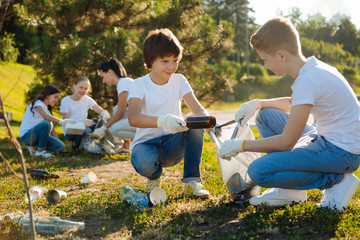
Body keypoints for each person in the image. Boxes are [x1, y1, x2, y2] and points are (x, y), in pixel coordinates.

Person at [220, 17, 360, 211]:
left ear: (281, 55)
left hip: (341, 153)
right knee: (265, 115)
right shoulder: (313, 69)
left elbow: (287, 142)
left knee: (258, 171)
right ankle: (289, 191)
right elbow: (294, 103)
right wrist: (257, 103)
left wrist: (240, 145)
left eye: (265, 60)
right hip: (327, 139)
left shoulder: (308, 79)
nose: (266, 65)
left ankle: (335, 180)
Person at [127, 28, 210, 198]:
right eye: (165, 61)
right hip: (146, 145)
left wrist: (211, 123)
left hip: (173, 143)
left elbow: (198, 109)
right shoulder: (138, 84)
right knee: (145, 162)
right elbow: (133, 118)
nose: (171, 67)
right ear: (151, 60)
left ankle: (192, 182)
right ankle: (154, 178)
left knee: (195, 123)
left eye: (175, 60)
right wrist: (162, 121)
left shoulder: (179, 80)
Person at [95, 58, 136, 153]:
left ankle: (147, 137)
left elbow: (120, 113)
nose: (103, 81)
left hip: (146, 121)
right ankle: (126, 146)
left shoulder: (123, 83)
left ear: (110, 72)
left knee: (113, 129)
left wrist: (103, 128)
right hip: (142, 117)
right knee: (115, 109)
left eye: (103, 77)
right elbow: (119, 110)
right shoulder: (124, 82)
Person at [60, 76, 109, 151]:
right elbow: (66, 122)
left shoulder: (87, 99)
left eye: (86, 89)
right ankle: (75, 144)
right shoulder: (65, 101)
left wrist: (105, 113)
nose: (83, 90)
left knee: (99, 123)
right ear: (74, 86)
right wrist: (81, 123)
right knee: (86, 130)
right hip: (70, 131)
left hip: (84, 126)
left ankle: (101, 145)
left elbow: (100, 110)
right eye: (81, 87)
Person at [19, 85, 70, 158]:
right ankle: (40, 151)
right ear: (48, 96)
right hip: (26, 137)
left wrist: (58, 144)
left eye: (57, 98)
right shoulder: (38, 103)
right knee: (46, 124)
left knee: (60, 146)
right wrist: (62, 122)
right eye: (55, 97)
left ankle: (35, 148)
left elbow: (53, 132)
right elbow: (45, 116)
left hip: (36, 137)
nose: (56, 100)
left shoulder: (48, 111)